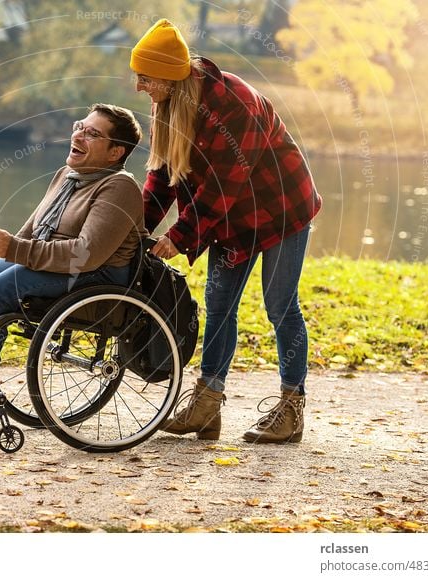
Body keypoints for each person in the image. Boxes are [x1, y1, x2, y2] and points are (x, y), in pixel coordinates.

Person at [129, 19, 322, 443]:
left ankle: (291, 408)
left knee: (279, 306)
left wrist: (178, 236)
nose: (139, 86)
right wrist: (137, 228)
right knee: (219, 306)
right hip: (232, 220)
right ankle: (206, 404)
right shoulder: (172, 105)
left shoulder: (233, 102)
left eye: (145, 77)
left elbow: (223, 184)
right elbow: (162, 175)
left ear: (168, 75)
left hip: (281, 210)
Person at [0, 103, 145, 406]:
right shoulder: (68, 175)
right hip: (60, 266)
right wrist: (11, 249)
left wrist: (17, 250)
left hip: (95, 277)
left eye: (92, 134)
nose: (79, 135)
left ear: (115, 152)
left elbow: (85, 255)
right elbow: (33, 229)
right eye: (80, 127)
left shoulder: (120, 186)